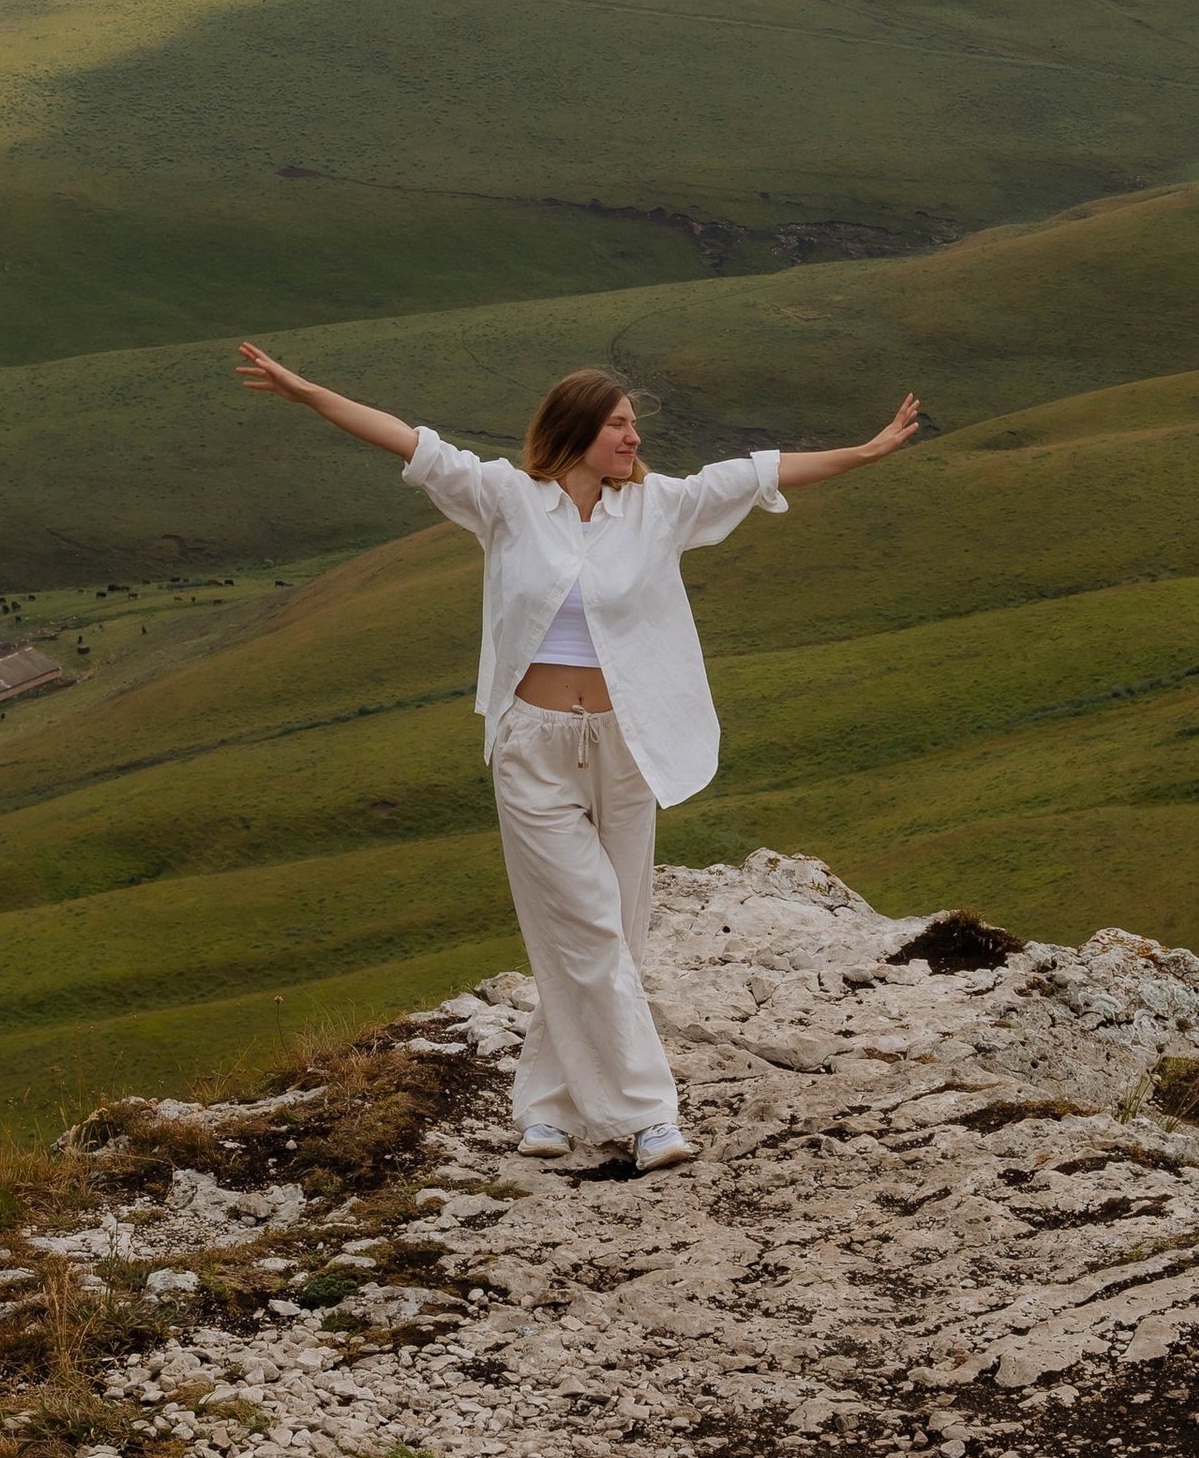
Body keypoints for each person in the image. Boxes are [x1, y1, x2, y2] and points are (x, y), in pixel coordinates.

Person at [234, 347, 921, 1173]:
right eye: (619, 423)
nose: (634, 436)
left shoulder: (659, 508)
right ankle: (648, 1118)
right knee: (589, 927)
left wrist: (867, 451)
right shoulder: (505, 501)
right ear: (577, 430)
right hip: (534, 748)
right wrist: (308, 394)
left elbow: (756, 471)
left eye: (634, 424)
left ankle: (550, 1109)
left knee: (612, 938)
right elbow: (410, 443)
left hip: (625, 747)